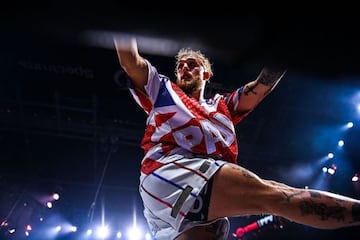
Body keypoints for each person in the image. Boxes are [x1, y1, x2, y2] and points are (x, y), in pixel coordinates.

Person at [113, 36, 360, 240]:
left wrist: (287, 48)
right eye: (180, 66)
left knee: (280, 191)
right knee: (274, 196)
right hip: (170, 170)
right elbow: (130, 60)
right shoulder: (162, 89)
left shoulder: (223, 106)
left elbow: (262, 85)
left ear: (206, 74)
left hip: (181, 199)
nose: (184, 68)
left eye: (192, 64)